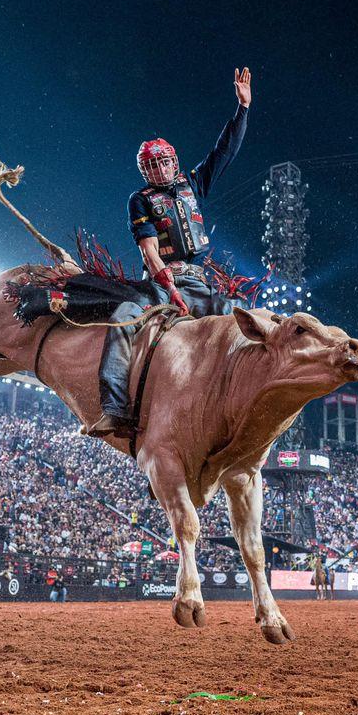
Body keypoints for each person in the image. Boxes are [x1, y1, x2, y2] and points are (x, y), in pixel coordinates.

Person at [88, 68, 252, 438]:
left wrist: (242, 110)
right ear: (144, 170)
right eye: (152, 165)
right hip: (161, 284)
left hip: (198, 282)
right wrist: (170, 289)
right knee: (124, 318)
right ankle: (114, 410)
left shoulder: (192, 183)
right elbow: (149, 251)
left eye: (163, 161)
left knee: (239, 314)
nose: (160, 169)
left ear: (173, 161)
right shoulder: (140, 199)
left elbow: (223, 152)